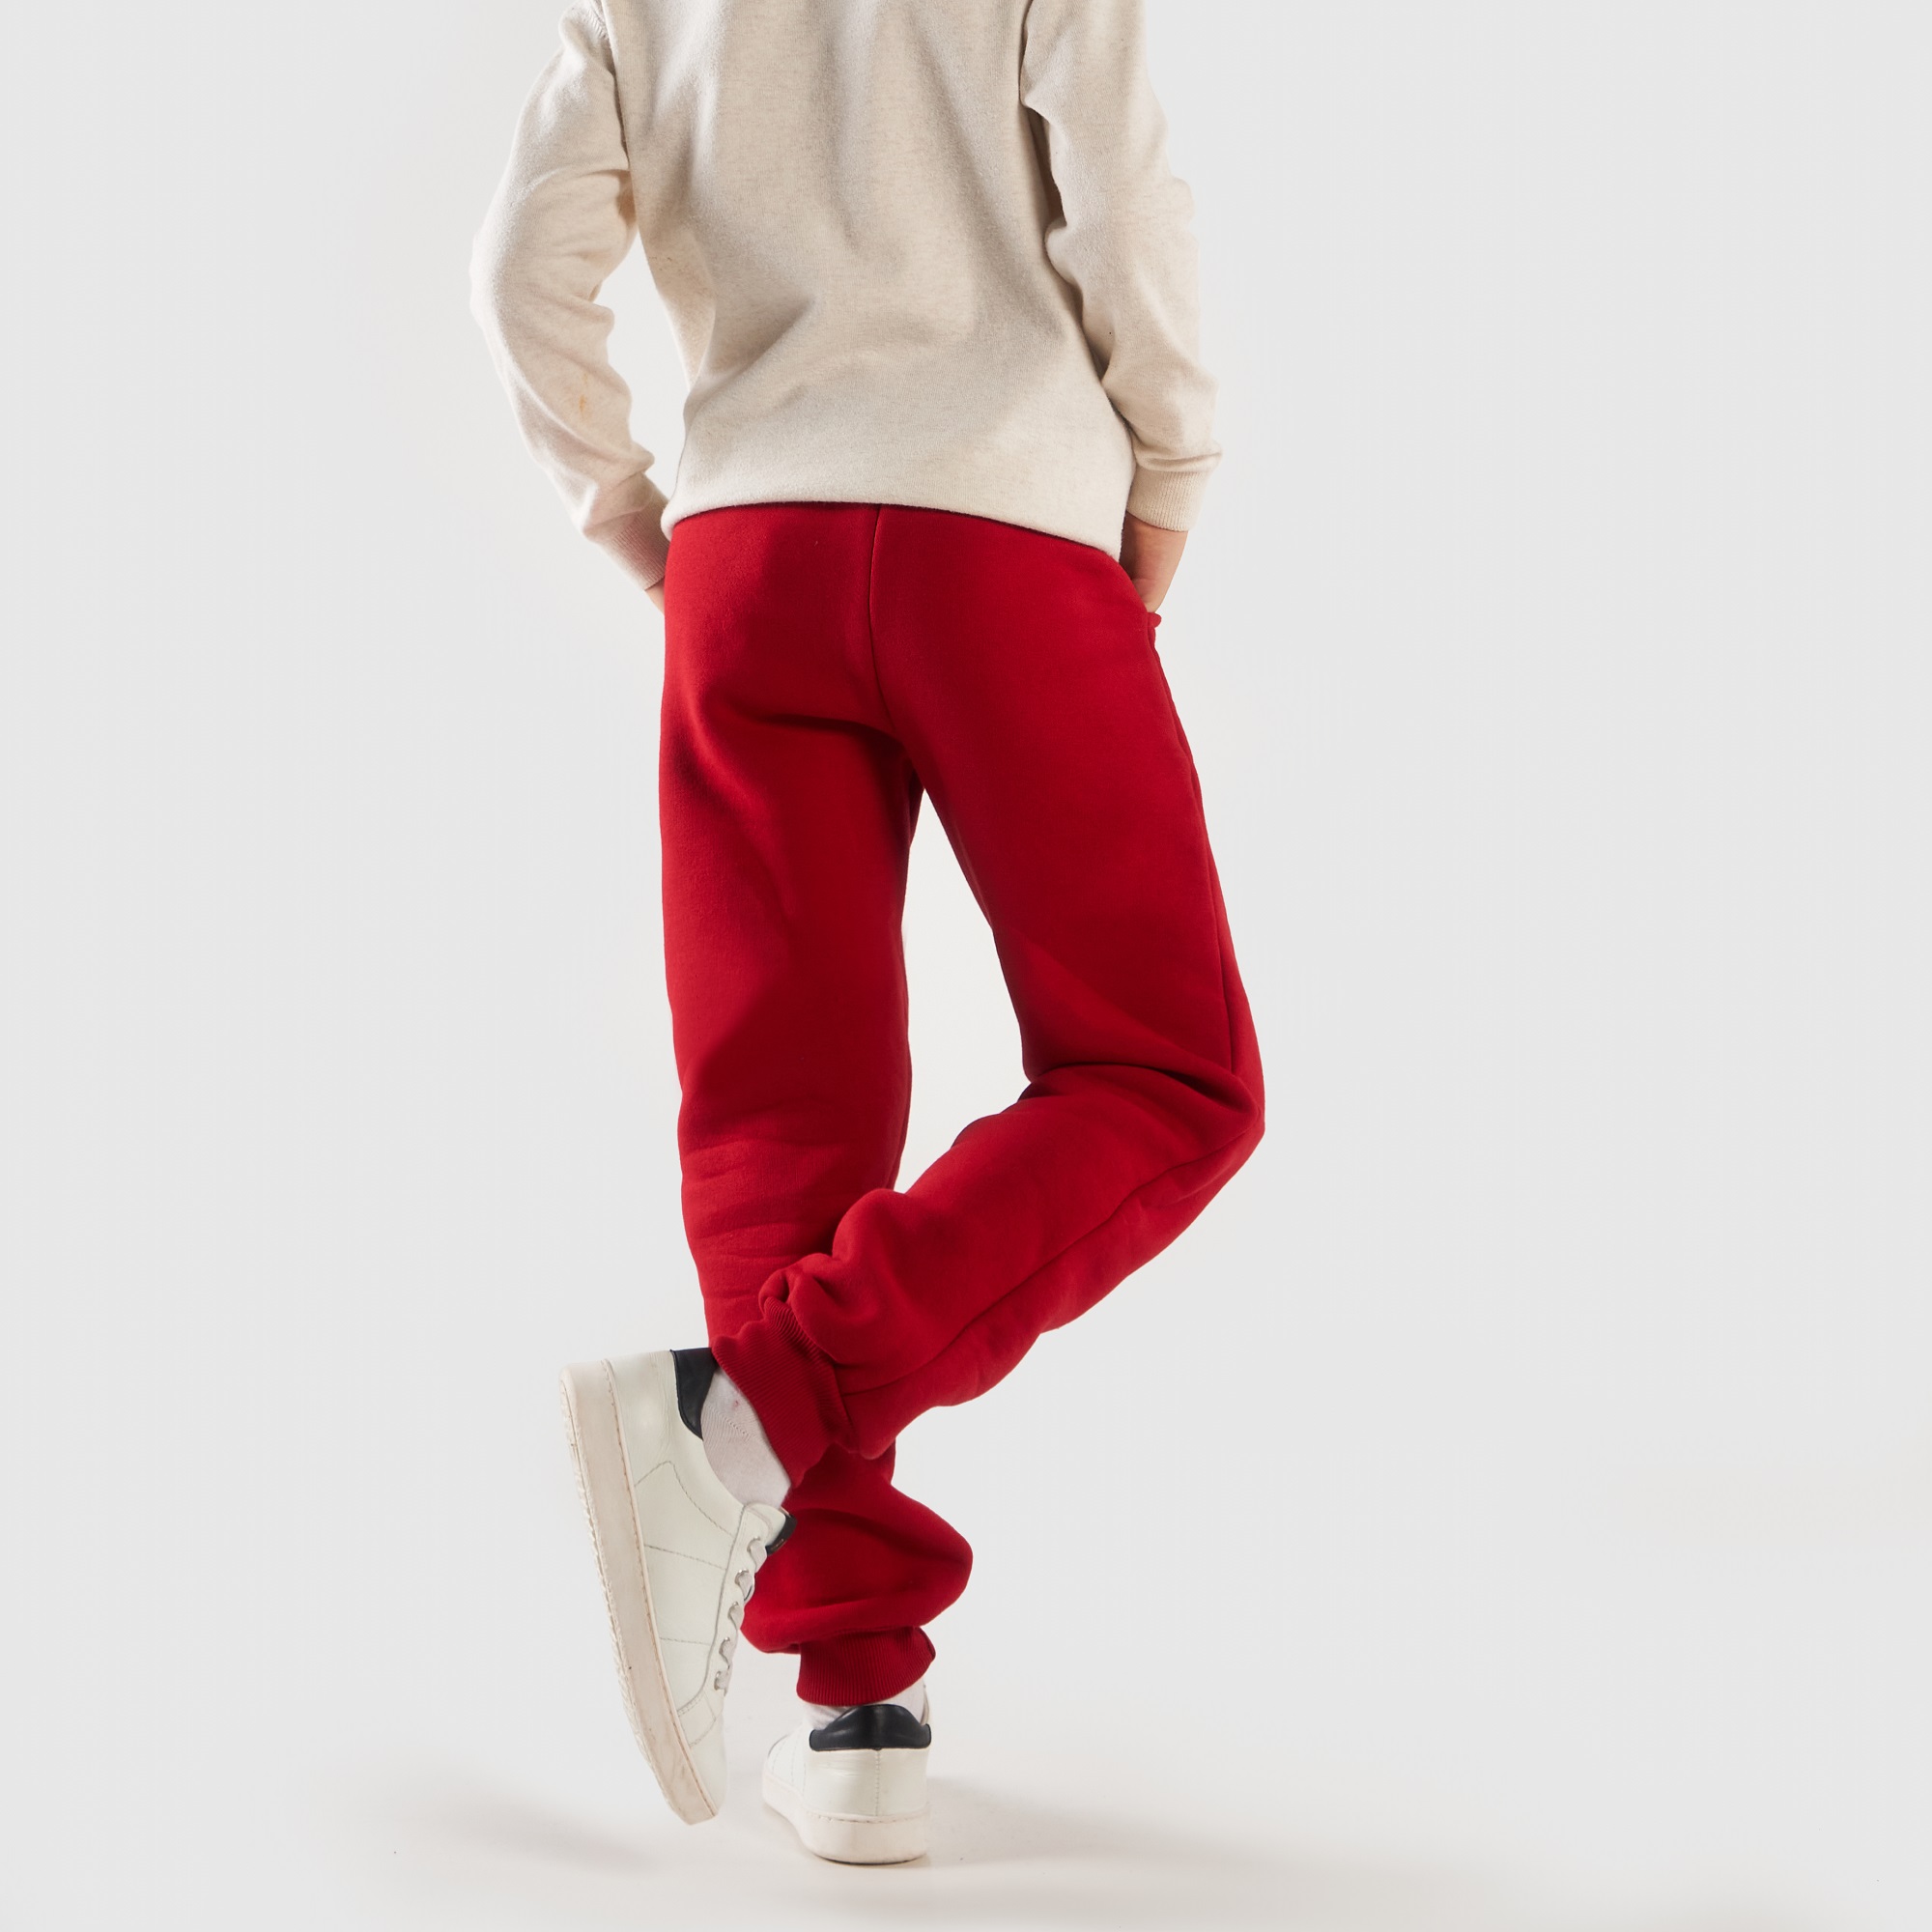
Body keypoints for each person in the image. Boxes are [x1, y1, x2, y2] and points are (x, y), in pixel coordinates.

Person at [470, 0, 1264, 1866]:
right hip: (1010, 532)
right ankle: (742, 1421)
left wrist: (638, 522)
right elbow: (1127, 206)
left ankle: (856, 1720)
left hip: (752, 553)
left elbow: (525, 266)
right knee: (1170, 1078)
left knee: (779, 1122)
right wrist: (1168, 475)